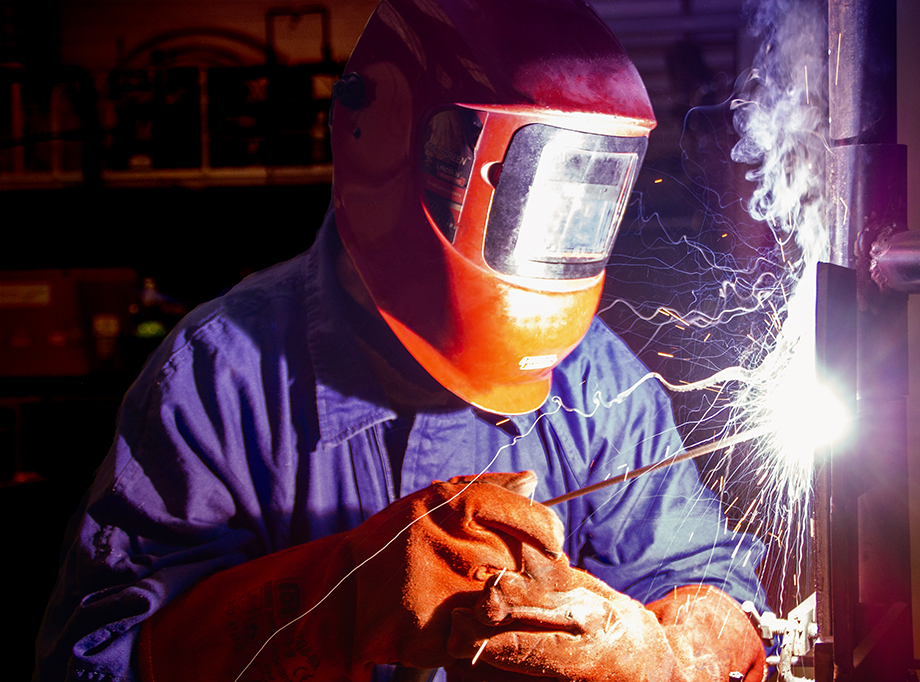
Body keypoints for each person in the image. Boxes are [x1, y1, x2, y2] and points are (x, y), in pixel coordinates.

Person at [35, 1, 770, 681]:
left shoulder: (596, 383)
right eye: (524, 188)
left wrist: (687, 647)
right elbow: (97, 660)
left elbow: (714, 581)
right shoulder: (220, 378)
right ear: (392, 144)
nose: (549, 229)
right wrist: (342, 600)